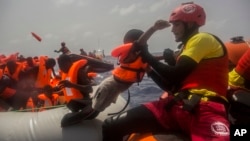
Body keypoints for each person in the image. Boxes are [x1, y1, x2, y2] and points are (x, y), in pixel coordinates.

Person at [102, 2, 230, 141]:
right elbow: (171, 86)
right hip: (177, 105)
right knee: (110, 125)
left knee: (111, 126)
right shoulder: (185, 48)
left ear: (191, 24)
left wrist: (147, 55)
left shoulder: (202, 38)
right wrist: (150, 71)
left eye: (177, 24)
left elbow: (175, 75)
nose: (172, 30)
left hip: (206, 109)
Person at [60, 29, 148, 127]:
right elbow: (139, 43)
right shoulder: (129, 55)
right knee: (95, 111)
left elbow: (146, 57)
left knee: (97, 105)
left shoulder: (140, 56)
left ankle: (76, 105)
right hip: (109, 86)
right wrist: (154, 28)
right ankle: (68, 120)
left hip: (114, 88)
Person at [57, 54, 97, 126]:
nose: (61, 68)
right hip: (73, 105)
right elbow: (69, 92)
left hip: (84, 104)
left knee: (65, 122)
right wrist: (55, 91)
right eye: (59, 66)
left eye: (62, 65)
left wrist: (72, 85)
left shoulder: (79, 72)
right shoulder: (65, 74)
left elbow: (89, 89)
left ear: (69, 62)